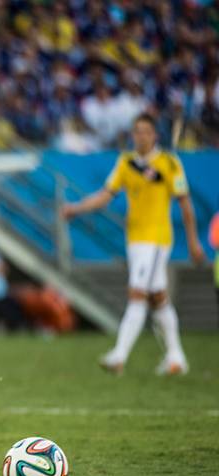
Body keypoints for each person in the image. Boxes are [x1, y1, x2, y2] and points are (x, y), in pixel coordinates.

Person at [62, 113, 206, 376]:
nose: (141, 136)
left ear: (155, 135)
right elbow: (105, 196)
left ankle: (119, 355)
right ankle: (176, 357)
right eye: (137, 131)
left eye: (146, 131)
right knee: (158, 298)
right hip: (135, 239)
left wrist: (194, 242)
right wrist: (76, 208)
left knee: (137, 293)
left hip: (156, 239)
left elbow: (185, 205)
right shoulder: (126, 162)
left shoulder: (169, 163)